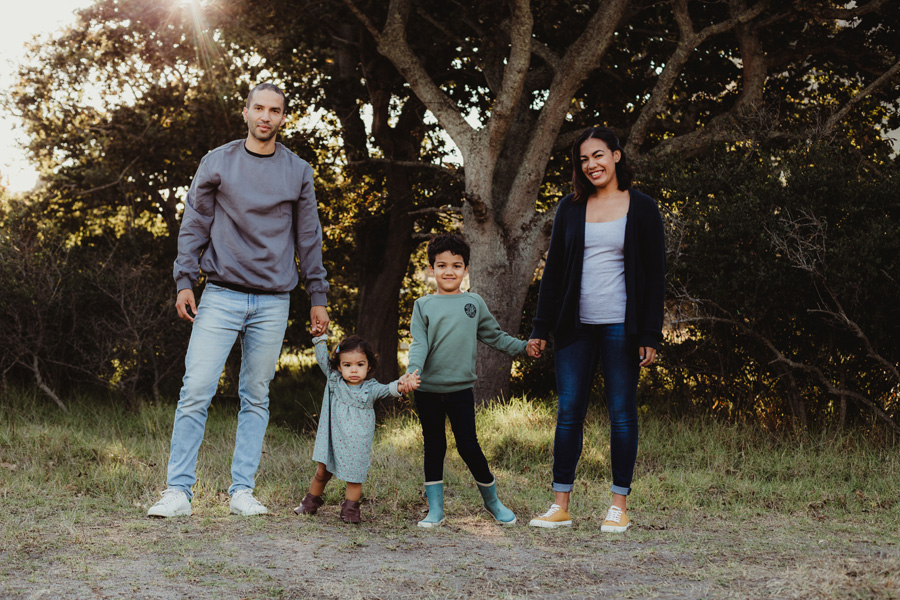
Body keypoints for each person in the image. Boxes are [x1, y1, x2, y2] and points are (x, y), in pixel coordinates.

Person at [147, 82, 329, 518]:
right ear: (245, 113)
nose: (266, 117)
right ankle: (178, 492)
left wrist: (317, 296)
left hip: (273, 300)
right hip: (221, 294)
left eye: (276, 110)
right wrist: (184, 280)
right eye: (259, 109)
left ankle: (242, 491)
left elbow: (309, 238)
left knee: (256, 396)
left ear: (284, 117)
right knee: (196, 390)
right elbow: (194, 222)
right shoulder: (218, 161)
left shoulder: (297, 171)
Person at [526, 126, 665, 532]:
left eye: (598, 156)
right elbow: (552, 275)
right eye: (584, 160)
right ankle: (560, 505)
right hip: (574, 327)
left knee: (622, 415)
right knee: (568, 414)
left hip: (623, 325)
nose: (591, 165)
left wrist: (650, 334)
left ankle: (618, 506)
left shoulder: (641, 207)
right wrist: (539, 328)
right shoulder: (570, 208)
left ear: (617, 156)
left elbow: (655, 276)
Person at [407, 234, 540, 528]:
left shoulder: (473, 303)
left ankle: (493, 503)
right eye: (442, 265)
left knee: (469, 446)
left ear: (466, 269)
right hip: (427, 391)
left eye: (456, 265)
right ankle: (436, 510)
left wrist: (523, 346)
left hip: (460, 391)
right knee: (434, 447)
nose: (449, 271)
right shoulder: (423, 305)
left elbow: (495, 336)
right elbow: (418, 344)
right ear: (431, 269)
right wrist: (412, 371)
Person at [294, 334, 420, 523]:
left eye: (360, 365)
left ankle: (350, 510)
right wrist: (320, 337)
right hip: (331, 436)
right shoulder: (335, 380)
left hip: (357, 440)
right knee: (322, 471)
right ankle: (310, 503)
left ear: (368, 366)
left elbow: (390, 389)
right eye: (347, 365)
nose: (354, 370)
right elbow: (322, 359)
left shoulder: (371, 388)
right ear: (338, 366)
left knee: (354, 477)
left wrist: (403, 385)